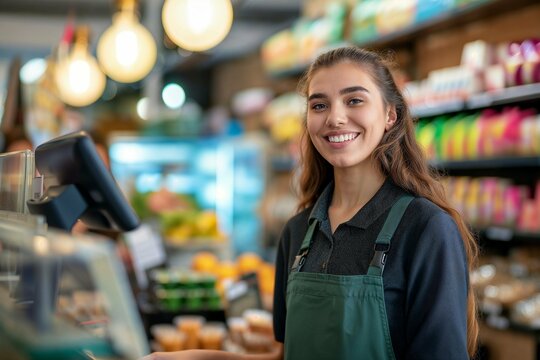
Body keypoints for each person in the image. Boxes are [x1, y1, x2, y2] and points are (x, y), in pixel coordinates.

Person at [142, 46, 478, 360]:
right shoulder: (299, 232)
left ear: (390, 114)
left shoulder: (425, 229)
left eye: (355, 101)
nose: (335, 118)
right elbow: (286, 355)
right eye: (319, 105)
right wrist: (190, 356)